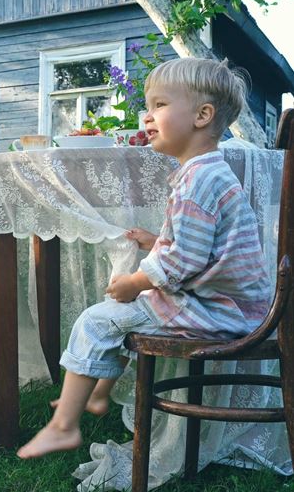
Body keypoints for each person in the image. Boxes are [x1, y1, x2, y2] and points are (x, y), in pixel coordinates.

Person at [17, 57, 271, 459]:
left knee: (98, 318)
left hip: (221, 311)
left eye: (159, 106)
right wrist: (157, 240)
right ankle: (98, 394)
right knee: (125, 313)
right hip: (234, 304)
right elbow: (202, 247)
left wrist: (134, 282)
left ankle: (63, 426)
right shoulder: (206, 172)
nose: (147, 116)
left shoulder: (199, 179)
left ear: (202, 116)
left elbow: (181, 263)